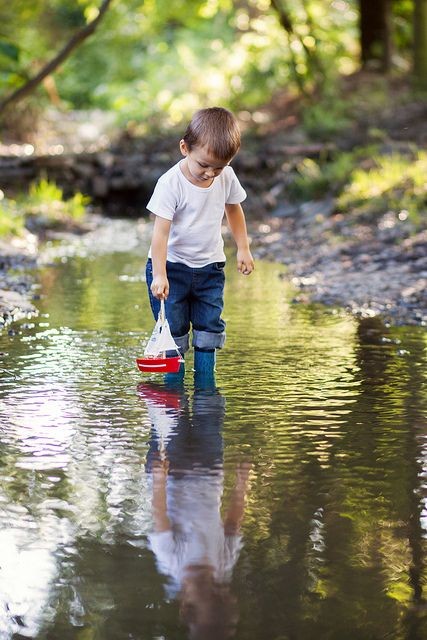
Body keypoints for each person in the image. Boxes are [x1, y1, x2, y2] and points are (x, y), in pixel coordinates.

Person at [145, 106, 254, 375]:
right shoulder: (171, 183)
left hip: (210, 268)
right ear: (185, 148)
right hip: (172, 268)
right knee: (174, 328)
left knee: (209, 326)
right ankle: (174, 393)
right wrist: (159, 274)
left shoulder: (225, 176)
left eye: (218, 167)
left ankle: (206, 390)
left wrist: (243, 248)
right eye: (203, 165)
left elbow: (234, 209)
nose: (210, 173)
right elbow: (160, 233)